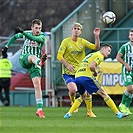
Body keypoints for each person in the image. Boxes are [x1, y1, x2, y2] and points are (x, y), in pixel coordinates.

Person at [64, 44, 128, 119]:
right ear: (102, 49)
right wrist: (95, 72)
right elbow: (91, 66)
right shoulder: (100, 56)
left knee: (83, 96)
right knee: (103, 93)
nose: (109, 53)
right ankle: (118, 113)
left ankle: (68, 114)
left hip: (78, 77)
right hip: (86, 76)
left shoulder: (91, 54)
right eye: (108, 51)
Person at [2, 19, 47, 118]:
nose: (38, 30)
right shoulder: (27, 33)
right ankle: (40, 62)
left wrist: (22, 32)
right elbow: (14, 37)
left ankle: (39, 110)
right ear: (32, 28)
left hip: (34, 64)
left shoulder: (42, 37)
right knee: (31, 56)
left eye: (39, 28)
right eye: (36, 28)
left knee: (37, 84)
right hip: (24, 58)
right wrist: (6, 47)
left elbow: (33, 38)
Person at [57, 22, 100, 117]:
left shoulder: (82, 42)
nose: (76, 30)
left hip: (80, 72)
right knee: (72, 90)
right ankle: (73, 103)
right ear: (72, 30)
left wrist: (96, 36)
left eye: (78, 29)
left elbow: (96, 47)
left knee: (87, 93)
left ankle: (89, 111)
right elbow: (59, 56)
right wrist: (67, 65)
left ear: (80, 32)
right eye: (75, 28)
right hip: (68, 72)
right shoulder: (66, 42)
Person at [116, 28, 133, 115]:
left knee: (132, 90)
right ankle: (122, 104)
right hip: (127, 71)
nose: (132, 37)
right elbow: (118, 57)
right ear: (129, 36)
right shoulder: (125, 46)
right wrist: (126, 65)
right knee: (130, 88)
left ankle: (126, 107)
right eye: (131, 35)